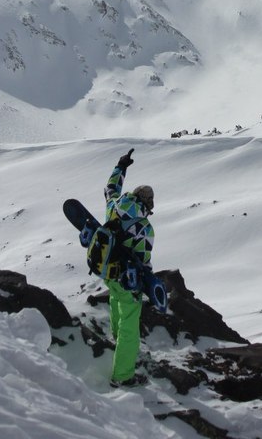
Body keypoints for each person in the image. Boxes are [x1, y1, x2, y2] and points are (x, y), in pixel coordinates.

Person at [104, 147, 155, 387]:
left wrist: (121, 166)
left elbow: (110, 187)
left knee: (114, 298)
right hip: (126, 279)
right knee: (130, 327)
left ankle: (115, 338)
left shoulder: (114, 205)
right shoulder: (144, 228)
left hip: (106, 269)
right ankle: (123, 377)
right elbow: (143, 262)